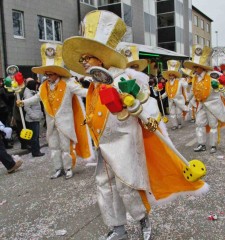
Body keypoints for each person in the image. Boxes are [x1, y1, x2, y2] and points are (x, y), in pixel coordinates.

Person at [62, 10, 208, 240]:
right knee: (104, 186)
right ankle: (117, 229)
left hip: (125, 141)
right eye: (81, 61)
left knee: (128, 186)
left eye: (87, 58)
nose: (83, 63)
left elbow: (142, 100)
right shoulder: (92, 85)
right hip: (103, 143)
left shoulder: (120, 78)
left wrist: (144, 113)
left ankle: (143, 220)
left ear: (99, 58)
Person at [17, 43, 93, 179]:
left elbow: (82, 92)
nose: (47, 77)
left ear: (56, 73)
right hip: (51, 123)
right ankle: (58, 169)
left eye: (50, 74)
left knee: (66, 147)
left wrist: (97, 91)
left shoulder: (68, 83)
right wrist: (23, 102)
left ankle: (68, 168)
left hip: (65, 123)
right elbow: (36, 98)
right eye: (46, 74)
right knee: (54, 147)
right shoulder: (44, 86)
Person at [183, 45, 225, 154]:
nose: (194, 70)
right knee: (199, 123)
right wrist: (188, 99)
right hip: (201, 105)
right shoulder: (195, 79)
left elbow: (223, 86)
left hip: (213, 105)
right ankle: (201, 144)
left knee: (213, 125)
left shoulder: (213, 76)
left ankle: (213, 145)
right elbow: (193, 90)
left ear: (202, 67)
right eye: (194, 67)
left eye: (196, 67)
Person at [161, 60, 189, 130]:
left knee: (179, 114)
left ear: (175, 75)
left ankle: (179, 123)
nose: (171, 76)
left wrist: (184, 80)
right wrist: (162, 96)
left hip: (179, 101)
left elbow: (186, 85)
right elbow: (167, 92)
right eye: (169, 75)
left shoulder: (179, 81)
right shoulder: (167, 83)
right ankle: (174, 125)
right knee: (172, 114)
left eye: (172, 74)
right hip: (171, 101)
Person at [23, 78, 45, 157]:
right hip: (32, 119)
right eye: (36, 85)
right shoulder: (29, 94)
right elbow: (26, 107)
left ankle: (37, 150)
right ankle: (35, 152)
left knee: (35, 136)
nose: (37, 87)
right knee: (34, 137)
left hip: (35, 118)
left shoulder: (32, 92)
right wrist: (34, 116)